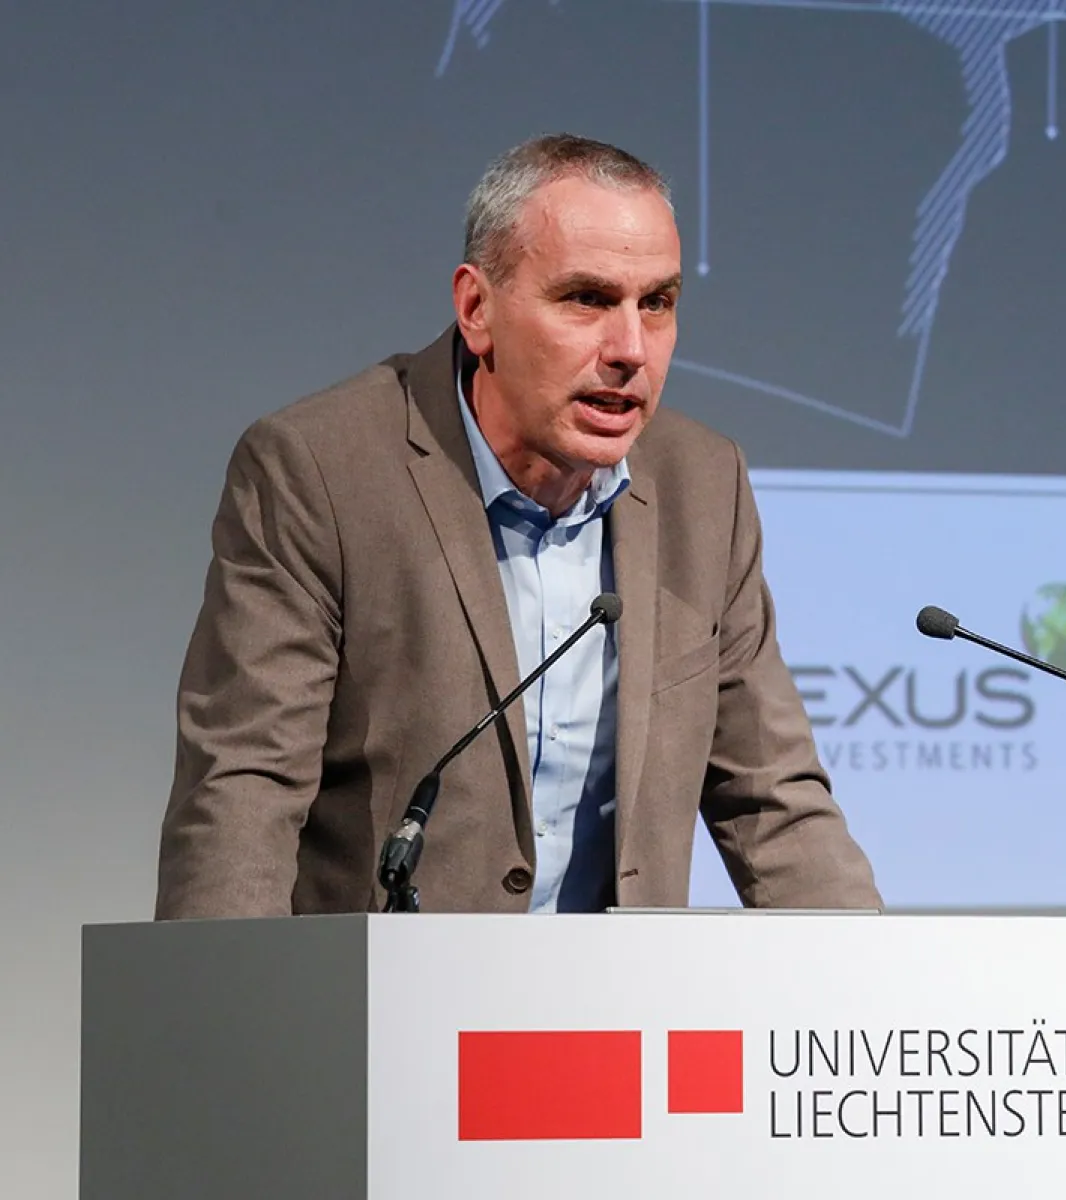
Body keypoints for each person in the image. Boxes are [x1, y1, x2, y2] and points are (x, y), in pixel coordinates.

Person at [154, 133, 881, 917]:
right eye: (587, 299)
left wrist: (880, 979)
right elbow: (245, 789)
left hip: (616, 992)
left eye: (657, 303)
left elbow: (775, 800)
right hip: (388, 987)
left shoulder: (704, 485)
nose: (631, 349)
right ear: (477, 309)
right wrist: (225, 991)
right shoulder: (322, 471)